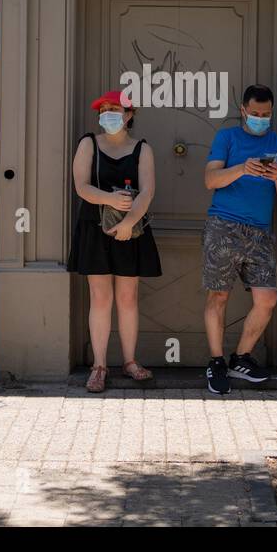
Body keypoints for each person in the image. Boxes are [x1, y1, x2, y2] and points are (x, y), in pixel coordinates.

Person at [67, 90, 161, 393]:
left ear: (130, 114)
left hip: (129, 231)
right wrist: (109, 198)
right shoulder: (89, 143)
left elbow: (146, 192)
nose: (109, 114)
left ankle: (130, 361)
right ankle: (99, 366)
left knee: (128, 297)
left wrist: (128, 222)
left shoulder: (142, 148)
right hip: (95, 227)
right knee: (100, 298)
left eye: (116, 109)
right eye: (104, 109)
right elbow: (81, 186)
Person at [203, 84, 277, 395]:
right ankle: (216, 362)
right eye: (254, 114)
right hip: (224, 226)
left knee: (267, 299)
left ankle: (240, 358)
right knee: (219, 296)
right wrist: (242, 168)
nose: (260, 119)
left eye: (265, 115)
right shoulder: (226, 137)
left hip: (260, 231)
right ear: (243, 110)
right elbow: (210, 179)